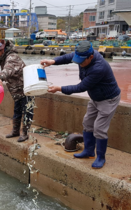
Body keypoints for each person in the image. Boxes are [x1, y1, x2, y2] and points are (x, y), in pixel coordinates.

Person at [41, 41, 121, 169]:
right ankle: (89, 152)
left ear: (91, 57)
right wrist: (53, 61)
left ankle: (101, 157)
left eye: (82, 61)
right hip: (95, 97)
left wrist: (59, 88)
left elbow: (81, 87)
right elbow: (68, 57)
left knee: (99, 128)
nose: (79, 64)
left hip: (108, 99)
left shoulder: (98, 68)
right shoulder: (83, 55)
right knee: (88, 123)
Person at [0, 39, 34, 142]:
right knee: (17, 110)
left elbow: (8, 69)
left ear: (2, 49)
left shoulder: (12, 57)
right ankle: (15, 131)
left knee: (27, 111)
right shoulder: (2, 57)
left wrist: (0, 78)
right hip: (16, 89)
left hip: (26, 88)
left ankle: (25, 133)